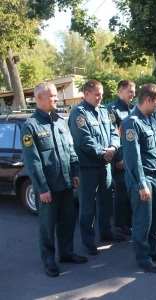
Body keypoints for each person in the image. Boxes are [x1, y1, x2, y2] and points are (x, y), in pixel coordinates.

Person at [21, 82, 87, 277]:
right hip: (48, 187)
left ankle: (66, 253)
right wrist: (41, 188)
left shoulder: (60, 121)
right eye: (52, 96)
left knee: (67, 222)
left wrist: (75, 173)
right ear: (39, 98)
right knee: (47, 226)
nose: (56, 99)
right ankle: (48, 260)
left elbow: (70, 149)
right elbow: (33, 162)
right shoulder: (30, 126)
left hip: (66, 183)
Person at [121, 83, 156, 273]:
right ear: (148, 99)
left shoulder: (151, 119)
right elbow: (132, 158)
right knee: (143, 221)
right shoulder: (132, 123)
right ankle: (143, 257)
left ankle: (154, 250)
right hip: (142, 180)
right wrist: (141, 184)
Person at [69, 79, 125, 256]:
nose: (100, 98)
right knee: (87, 206)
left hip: (105, 166)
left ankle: (106, 232)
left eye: (101, 94)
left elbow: (114, 133)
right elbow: (83, 140)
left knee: (105, 201)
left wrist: (113, 148)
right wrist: (103, 152)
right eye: (97, 95)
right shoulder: (79, 113)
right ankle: (88, 240)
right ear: (86, 94)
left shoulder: (104, 111)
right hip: (88, 167)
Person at [107, 80, 135, 236]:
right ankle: (119, 224)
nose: (133, 94)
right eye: (130, 91)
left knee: (131, 191)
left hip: (131, 157)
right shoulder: (112, 110)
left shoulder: (131, 108)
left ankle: (129, 221)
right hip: (121, 159)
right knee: (121, 193)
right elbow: (114, 136)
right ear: (121, 91)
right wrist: (118, 158)